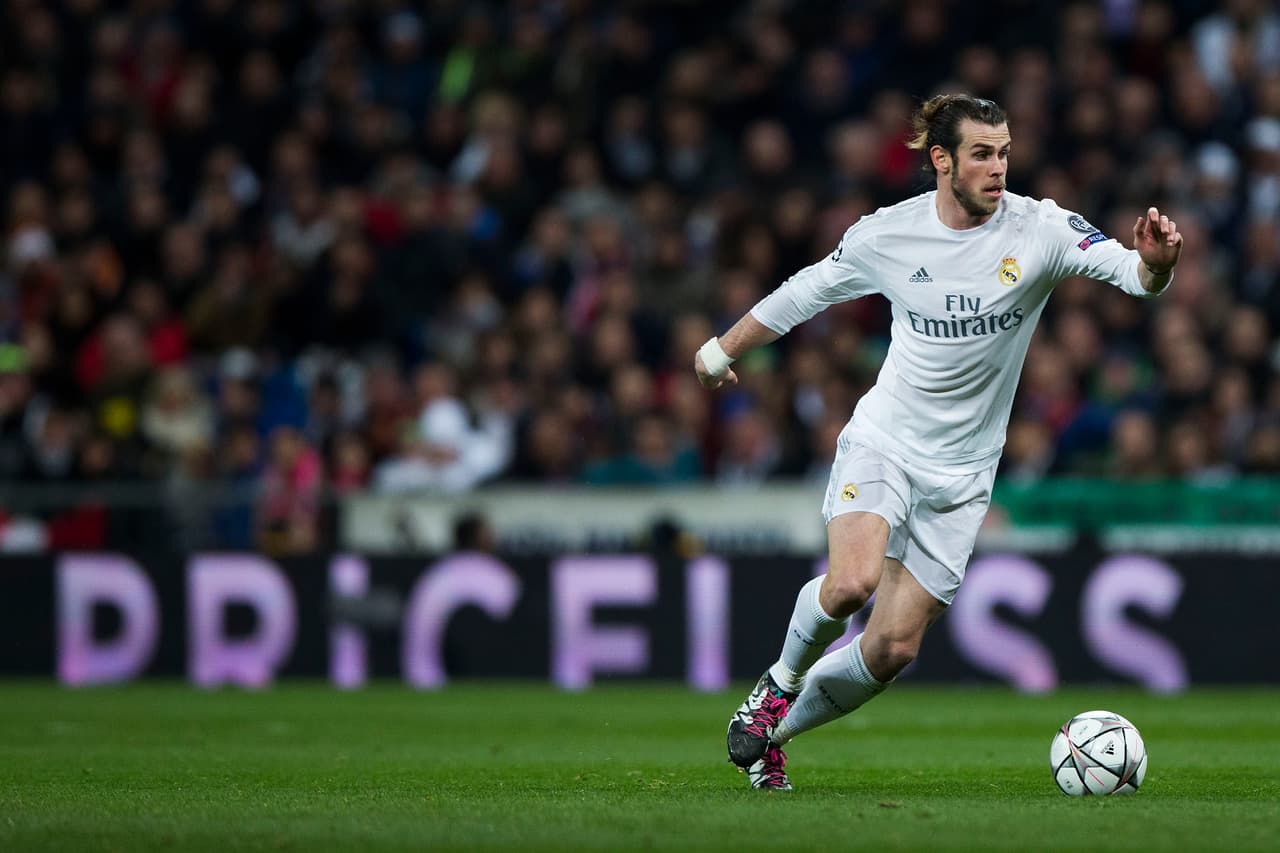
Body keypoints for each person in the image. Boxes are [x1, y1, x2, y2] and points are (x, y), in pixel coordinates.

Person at [694, 94, 1183, 791]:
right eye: (982, 153)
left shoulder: (1039, 229)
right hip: (885, 442)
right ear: (941, 160)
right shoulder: (889, 234)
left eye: (1005, 151)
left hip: (963, 476)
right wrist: (720, 348)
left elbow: (1131, 274)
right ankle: (774, 685)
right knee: (852, 581)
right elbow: (804, 293)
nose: (998, 167)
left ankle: (774, 733)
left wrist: (1158, 263)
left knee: (891, 647)